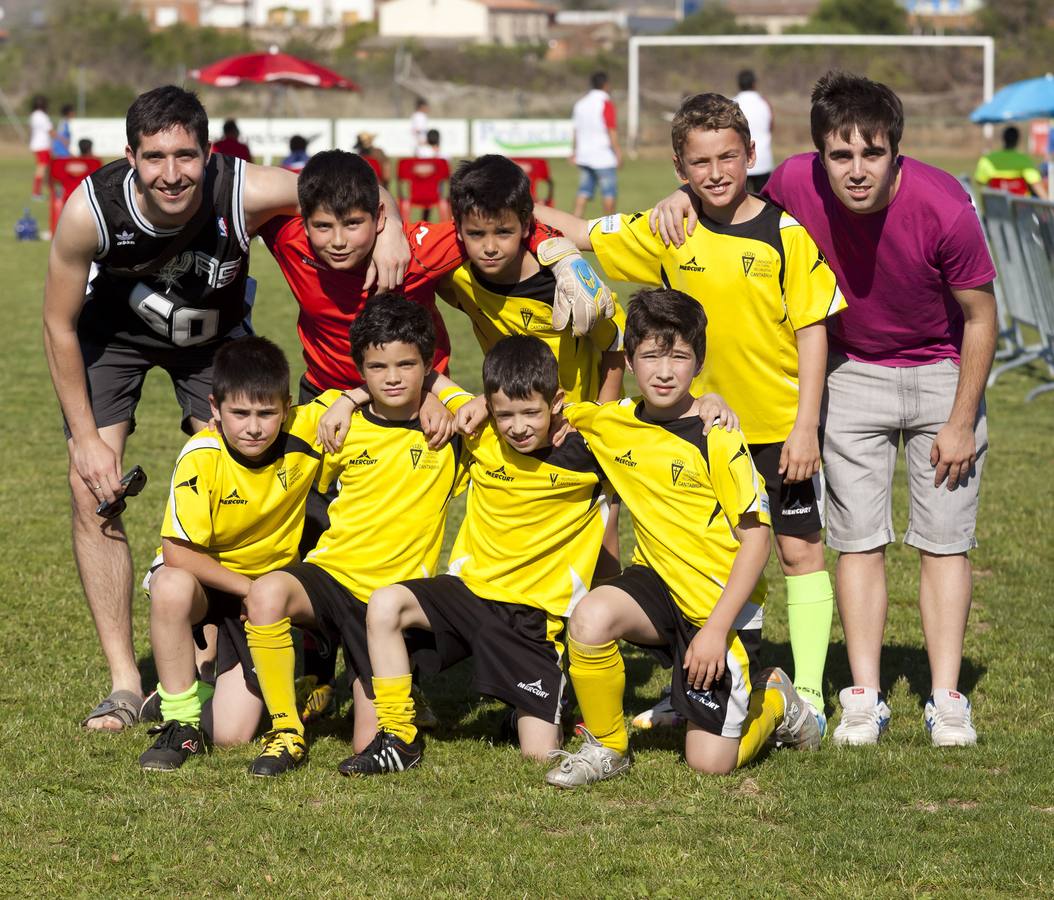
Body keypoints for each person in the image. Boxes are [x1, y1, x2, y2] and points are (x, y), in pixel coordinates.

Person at [42, 85, 410, 733]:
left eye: (187, 155)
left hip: (212, 343)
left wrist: (395, 230)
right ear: (130, 157)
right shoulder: (88, 212)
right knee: (89, 487)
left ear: (209, 153)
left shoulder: (243, 188)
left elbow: (352, 189)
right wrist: (86, 440)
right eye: (155, 157)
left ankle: (242, 637)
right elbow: (57, 323)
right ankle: (127, 683)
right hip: (112, 342)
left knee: (244, 477)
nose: (172, 172)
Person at [650, 71, 997, 748]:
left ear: (896, 149)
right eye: (841, 155)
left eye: (873, 153)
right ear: (818, 156)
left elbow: (981, 318)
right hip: (852, 375)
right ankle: (864, 695)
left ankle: (948, 697)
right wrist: (679, 196)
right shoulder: (794, 182)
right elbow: (727, 188)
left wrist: (961, 419)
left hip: (942, 374)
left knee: (943, 542)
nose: (857, 170)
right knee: (857, 539)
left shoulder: (946, 206)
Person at [535, 92, 845, 733]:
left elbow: (814, 331)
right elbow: (582, 232)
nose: (715, 172)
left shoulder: (784, 235)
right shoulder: (670, 227)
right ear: (681, 166)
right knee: (704, 556)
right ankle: (709, 677)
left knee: (796, 551)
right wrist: (510, 201)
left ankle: (807, 694)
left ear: (751, 154)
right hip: (693, 433)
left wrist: (805, 426)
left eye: (728, 156)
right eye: (699, 162)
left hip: (777, 428)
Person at [544, 288, 821, 788]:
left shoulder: (718, 435)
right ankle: (607, 746)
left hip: (719, 605)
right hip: (656, 586)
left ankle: (777, 701)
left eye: (679, 356)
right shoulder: (613, 422)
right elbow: (540, 409)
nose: (664, 371)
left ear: (699, 362)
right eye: (650, 356)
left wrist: (716, 631)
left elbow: (756, 543)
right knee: (590, 616)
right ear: (629, 362)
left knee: (708, 763)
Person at [340, 336, 610, 774]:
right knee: (385, 602)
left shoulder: (590, 450)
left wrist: (711, 401)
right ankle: (399, 736)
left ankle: (547, 697)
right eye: (505, 414)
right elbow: (426, 374)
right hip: (468, 594)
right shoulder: (480, 431)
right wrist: (351, 400)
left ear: (556, 403)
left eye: (531, 413)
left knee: (538, 755)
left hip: (533, 617)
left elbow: (644, 419)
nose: (518, 426)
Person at [241, 295, 472, 776]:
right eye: (377, 366)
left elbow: (496, 407)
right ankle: (286, 730)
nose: (392, 377)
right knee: (266, 594)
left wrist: (436, 396)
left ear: (427, 366)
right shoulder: (335, 419)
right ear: (360, 369)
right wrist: (348, 398)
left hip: (390, 602)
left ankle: (390, 695)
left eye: (407, 365)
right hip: (332, 575)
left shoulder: (450, 434)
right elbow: (257, 419)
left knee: (369, 742)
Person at [137, 336, 343, 771]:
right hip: (207, 585)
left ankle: (201, 682)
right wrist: (249, 589)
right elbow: (177, 554)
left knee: (231, 735)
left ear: (287, 408)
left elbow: (375, 392)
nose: (254, 427)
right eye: (240, 413)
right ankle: (180, 722)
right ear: (214, 408)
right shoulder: (201, 455)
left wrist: (352, 399)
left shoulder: (307, 430)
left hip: (263, 599)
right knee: (169, 586)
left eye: (267, 413)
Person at [572, 71, 621, 218]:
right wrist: (618, 152)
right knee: (609, 193)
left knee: (584, 191)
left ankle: (573, 222)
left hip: (584, 155)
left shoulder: (580, 103)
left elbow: (575, 129)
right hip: (603, 156)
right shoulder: (606, 103)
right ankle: (609, 229)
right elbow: (611, 129)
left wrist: (574, 151)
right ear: (606, 85)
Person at [973, 126, 1047, 199]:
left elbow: (980, 181)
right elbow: (1035, 184)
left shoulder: (987, 159)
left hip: (995, 207)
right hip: (1021, 208)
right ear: (1017, 139)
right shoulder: (1024, 160)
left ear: (1003, 138)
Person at [733, 70, 774, 194]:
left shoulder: (732, 104)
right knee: (763, 203)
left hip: (739, 162)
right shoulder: (765, 103)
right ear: (754, 84)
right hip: (763, 160)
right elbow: (771, 126)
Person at [29, 94, 54, 199]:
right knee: (42, 169)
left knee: (47, 169)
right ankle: (36, 192)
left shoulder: (33, 115)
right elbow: (50, 131)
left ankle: (50, 191)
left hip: (37, 145)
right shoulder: (43, 116)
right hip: (42, 145)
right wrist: (63, 140)